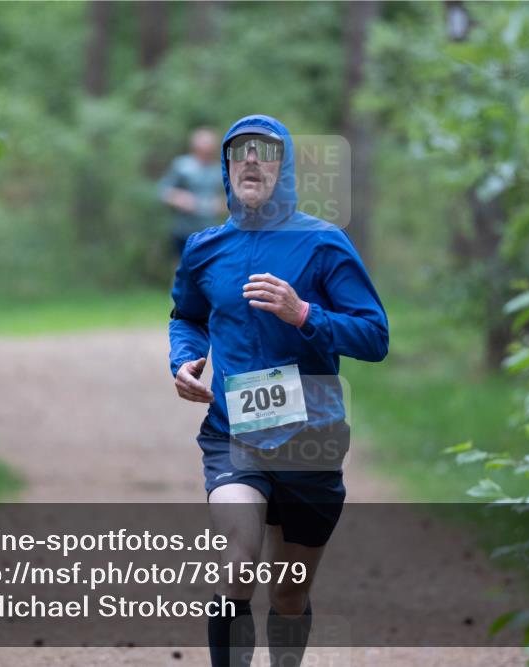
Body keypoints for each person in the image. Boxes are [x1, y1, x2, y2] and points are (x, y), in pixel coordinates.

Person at [168, 114, 389, 666]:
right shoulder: (204, 248)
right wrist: (185, 359)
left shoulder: (322, 243)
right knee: (237, 564)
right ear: (225, 166)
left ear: (282, 166)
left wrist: (305, 313)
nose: (250, 160)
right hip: (232, 433)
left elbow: (375, 336)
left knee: (288, 592)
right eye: (238, 151)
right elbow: (187, 317)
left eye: (263, 151)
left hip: (310, 439)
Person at [158, 127, 226, 258]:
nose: (207, 146)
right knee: (180, 269)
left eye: (210, 143)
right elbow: (163, 190)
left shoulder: (219, 170)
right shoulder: (182, 165)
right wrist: (180, 198)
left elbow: (233, 199)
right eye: (203, 142)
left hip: (210, 231)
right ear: (195, 144)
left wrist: (221, 205)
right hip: (184, 231)